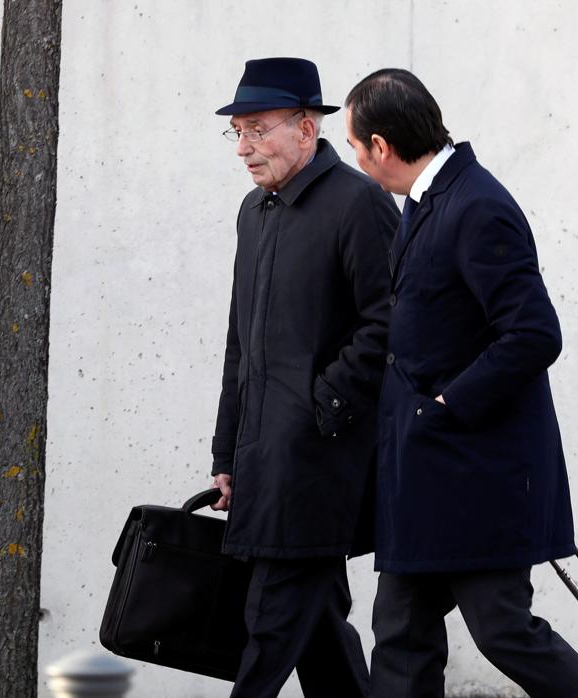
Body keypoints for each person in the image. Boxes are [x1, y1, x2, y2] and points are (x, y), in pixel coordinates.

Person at [342, 68, 578, 697]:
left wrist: (443, 406)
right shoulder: (429, 200)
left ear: (380, 146)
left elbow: (535, 334)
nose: (354, 158)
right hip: (425, 477)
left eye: (354, 145)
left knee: (503, 630)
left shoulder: (478, 205)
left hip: (476, 474)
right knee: (401, 634)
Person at [208, 57, 399, 698]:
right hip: (264, 453)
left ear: (306, 127)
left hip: (321, 457)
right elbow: (242, 343)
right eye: (236, 132)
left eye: (257, 129)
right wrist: (226, 451)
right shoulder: (253, 212)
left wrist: (324, 403)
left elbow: (391, 321)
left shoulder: (359, 204)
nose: (244, 148)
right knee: (316, 631)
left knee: (267, 623)